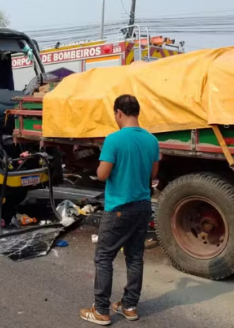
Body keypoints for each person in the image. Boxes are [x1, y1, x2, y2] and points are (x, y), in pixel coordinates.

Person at [80, 95, 159, 326]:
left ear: (119, 113)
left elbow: (102, 174)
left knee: (104, 257)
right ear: (137, 112)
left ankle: (102, 310)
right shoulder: (152, 140)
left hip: (119, 208)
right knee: (135, 257)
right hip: (143, 206)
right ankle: (130, 306)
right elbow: (153, 174)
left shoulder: (113, 139)